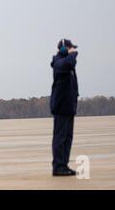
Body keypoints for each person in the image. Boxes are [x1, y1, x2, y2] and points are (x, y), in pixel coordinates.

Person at [50, 38, 79, 176]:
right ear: (63, 49)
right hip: (61, 107)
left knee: (67, 138)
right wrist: (71, 54)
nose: (73, 50)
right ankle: (58, 166)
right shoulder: (59, 62)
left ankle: (64, 165)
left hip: (69, 107)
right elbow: (68, 63)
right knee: (60, 138)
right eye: (70, 48)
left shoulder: (66, 63)